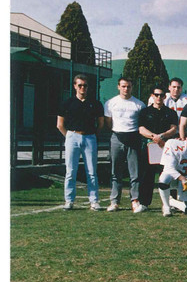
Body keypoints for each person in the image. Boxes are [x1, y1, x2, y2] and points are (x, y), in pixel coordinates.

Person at [56, 74, 105, 211]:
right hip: (72, 136)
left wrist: (92, 135)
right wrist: (70, 137)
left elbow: (100, 123)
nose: (82, 88)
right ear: (74, 86)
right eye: (80, 85)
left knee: (91, 171)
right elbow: (60, 124)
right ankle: (69, 200)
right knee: (71, 171)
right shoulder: (67, 103)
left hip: (90, 138)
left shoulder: (95, 103)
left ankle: (94, 201)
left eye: (85, 85)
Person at [104, 77, 147, 212]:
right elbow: (108, 122)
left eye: (128, 86)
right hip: (116, 138)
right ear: (118, 87)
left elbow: (141, 124)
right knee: (116, 172)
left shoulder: (139, 104)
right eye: (123, 86)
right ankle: (114, 201)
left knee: (134, 173)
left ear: (132, 87)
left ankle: (135, 200)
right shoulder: (111, 103)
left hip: (133, 139)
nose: (126, 89)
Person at [137, 85, 179, 210]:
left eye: (161, 95)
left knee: (167, 174)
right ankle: (144, 203)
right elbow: (141, 129)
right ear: (152, 96)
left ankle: (170, 203)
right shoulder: (145, 112)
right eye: (156, 95)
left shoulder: (170, 112)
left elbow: (174, 129)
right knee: (146, 175)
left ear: (165, 96)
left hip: (165, 147)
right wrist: (153, 136)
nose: (159, 97)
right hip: (149, 147)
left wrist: (162, 136)